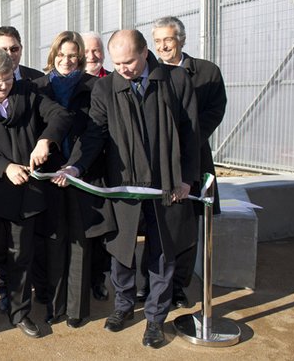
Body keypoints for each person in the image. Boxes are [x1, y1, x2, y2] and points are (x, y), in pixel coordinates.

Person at [54, 30, 199, 348]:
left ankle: (155, 321)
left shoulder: (175, 81)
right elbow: (94, 134)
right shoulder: (105, 88)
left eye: (130, 61)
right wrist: (74, 166)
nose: (124, 68)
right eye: (117, 62)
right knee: (121, 251)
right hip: (123, 186)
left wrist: (187, 178)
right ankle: (123, 308)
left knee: (162, 253)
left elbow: (190, 134)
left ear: (146, 52)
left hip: (166, 186)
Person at [0, 48, 71, 339]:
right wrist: (5, 167)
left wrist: (46, 140)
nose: (3, 85)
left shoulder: (29, 92)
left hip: (26, 194)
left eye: (7, 78)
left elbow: (59, 115)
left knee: (21, 256)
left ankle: (20, 312)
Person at [133, 16, 227, 308]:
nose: (163, 46)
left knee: (187, 228)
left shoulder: (207, 72)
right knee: (155, 225)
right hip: (156, 163)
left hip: (193, 158)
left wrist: (188, 141)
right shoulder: (148, 72)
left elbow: (215, 110)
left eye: (169, 40)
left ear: (182, 40)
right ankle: (148, 284)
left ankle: (178, 287)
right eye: (158, 41)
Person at [33, 31, 115, 329]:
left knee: (80, 243)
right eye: (61, 54)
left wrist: (76, 167)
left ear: (80, 57)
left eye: (73, 55)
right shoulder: (38, 88)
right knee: (54, 241)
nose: (66, 60)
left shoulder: (94, 87)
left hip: (81, 175)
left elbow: (96, 132)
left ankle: (77, 311)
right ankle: (54, 307)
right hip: (49, 177)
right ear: (53, 55)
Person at [80, 31, 112, 301]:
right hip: (79, 166)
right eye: (87, 50)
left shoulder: (114, 80)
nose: (92, 55)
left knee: (104, 231)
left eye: (97, 50)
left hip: (107, 167)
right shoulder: (73, 81)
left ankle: (98, 279)